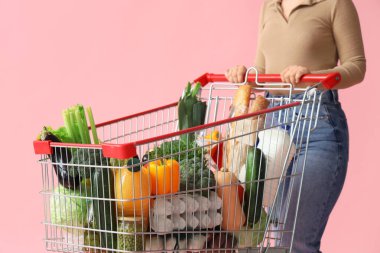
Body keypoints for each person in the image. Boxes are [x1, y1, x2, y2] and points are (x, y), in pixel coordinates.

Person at [225, 0, 366, 252]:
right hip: (274, 124)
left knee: (295, 241)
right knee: (278, 233)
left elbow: (356, 66)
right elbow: (263, 69)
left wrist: (315, 75)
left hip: (316, 124)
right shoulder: (269, 5)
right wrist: (245, 73)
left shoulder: (335, 3)